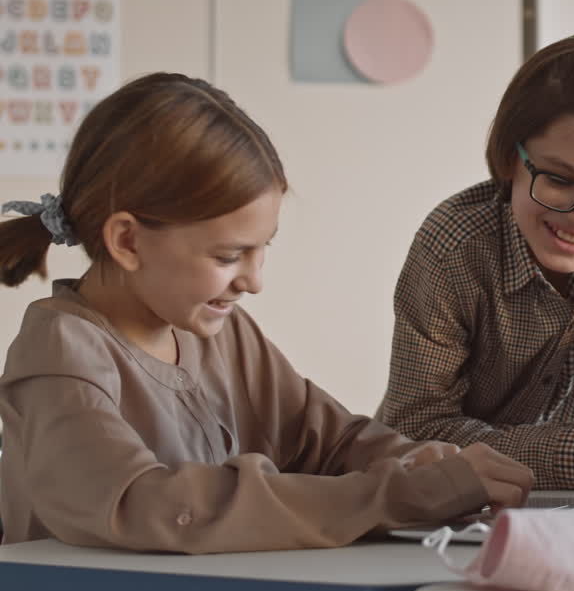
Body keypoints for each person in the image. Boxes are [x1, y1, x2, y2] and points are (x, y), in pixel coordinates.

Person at [0, 73, 533, 553]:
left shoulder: (222, 335)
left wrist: (425, 465)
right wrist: (394, 495)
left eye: (263, 250)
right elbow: (145, 507)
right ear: (127, 241)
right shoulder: (59, 355)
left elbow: (330, 439)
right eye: (229, 256)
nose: (254, 282)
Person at [376, 0, 574, 489]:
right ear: (510, 159)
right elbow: (416, 429)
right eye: (560, 180)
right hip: (438, 496)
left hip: (559, 504)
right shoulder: (453, 247)